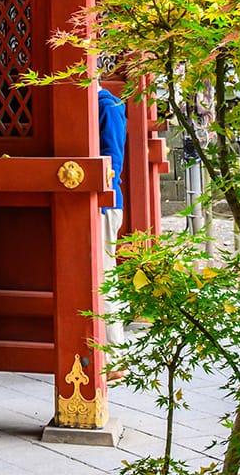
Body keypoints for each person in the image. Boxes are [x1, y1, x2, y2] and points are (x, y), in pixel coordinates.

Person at [97, 86, 128, 346]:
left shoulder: (108, 106)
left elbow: (113, 160)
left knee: (105, 276)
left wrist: (102, 197)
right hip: (96, 201)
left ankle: (113, 351)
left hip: (104, 204)